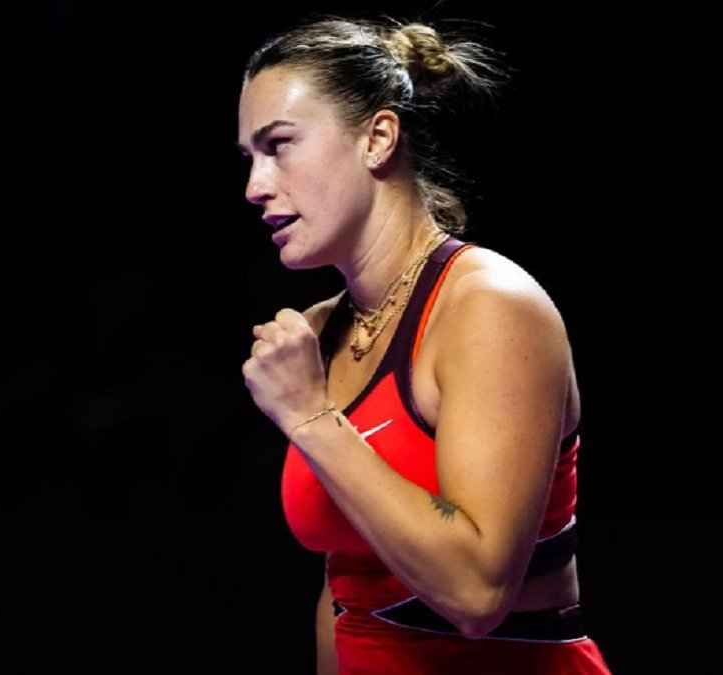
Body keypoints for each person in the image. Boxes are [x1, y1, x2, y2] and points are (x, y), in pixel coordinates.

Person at [239, 15, 612, 674]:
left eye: (280, 145)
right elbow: (347, 589)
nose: (255, 186)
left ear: (378, 138)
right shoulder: (321, 332)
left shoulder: (490, 306)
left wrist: (310, 416)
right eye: (250, 157)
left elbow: (476, 592)